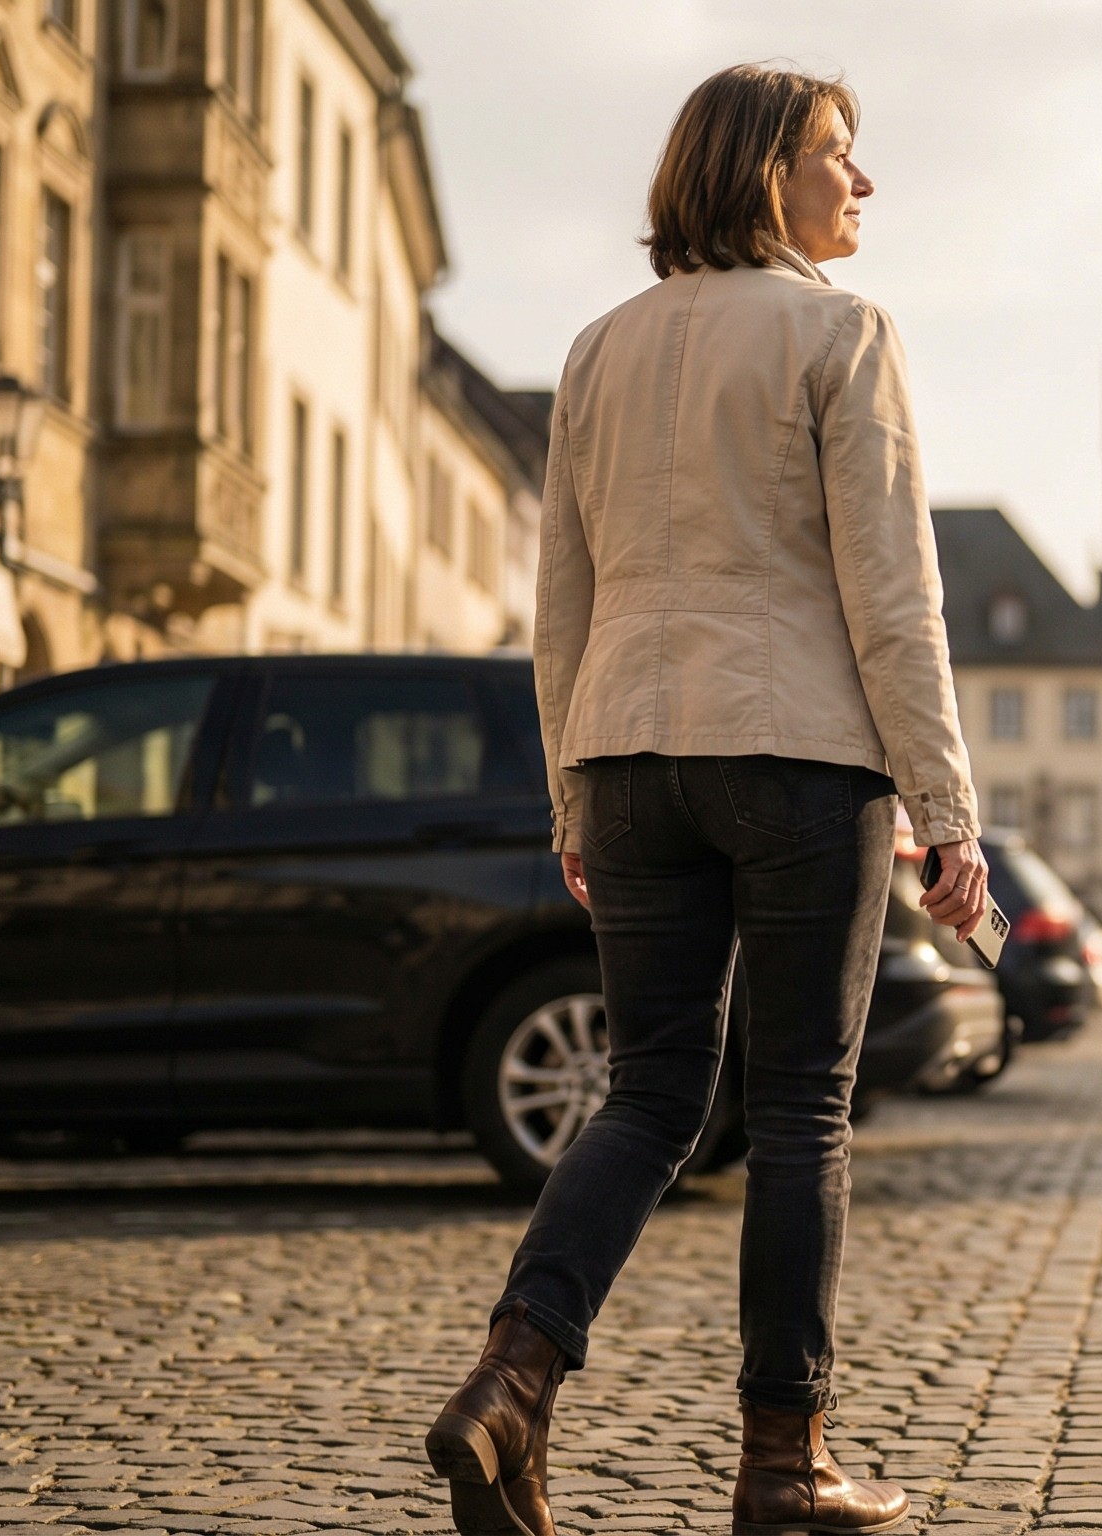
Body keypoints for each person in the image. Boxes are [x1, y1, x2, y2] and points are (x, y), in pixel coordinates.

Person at [423, 64, 986, 1536]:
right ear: (761, 176)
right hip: (798, 752)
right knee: (799, 1106)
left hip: (625, 753)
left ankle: (511, 1383)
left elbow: (563, 603)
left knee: (651, 1095)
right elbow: (894, 595)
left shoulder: (600, 349)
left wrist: (569, 800)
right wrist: (947, 808)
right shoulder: (841, 332)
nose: (862, 185)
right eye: (838, 157)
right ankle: (784, 1469)